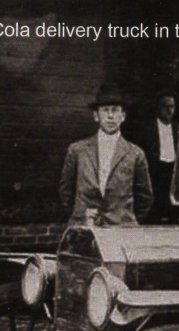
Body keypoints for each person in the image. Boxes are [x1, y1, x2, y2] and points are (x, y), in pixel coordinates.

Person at [59, 84, 153, 226]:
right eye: (105, 110)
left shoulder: (135, 154)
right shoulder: (77, 150)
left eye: (115, 111)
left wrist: (123, 218)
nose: (110, 116)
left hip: (121, 231)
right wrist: (80, 215)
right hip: (85, 227)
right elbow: (66, 192)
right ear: (96, 116)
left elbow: (144, 197)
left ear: (123, 116)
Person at [131, 91, 179, 223]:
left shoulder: (178, 129)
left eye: (172, 107)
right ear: (158, 108)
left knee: (172, 206)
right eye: (166, 106)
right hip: (155, 171)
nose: (169, 110)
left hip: (172, 171)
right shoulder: (147, 128)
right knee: (154, 206)